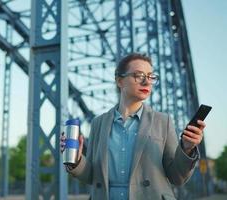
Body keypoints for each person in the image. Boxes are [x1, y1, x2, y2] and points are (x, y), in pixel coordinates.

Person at [60, 53, 206, 200]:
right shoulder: (98, 123)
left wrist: (186, 148)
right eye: (139, 75)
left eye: (150, 77)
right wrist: (77, 159)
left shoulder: (163, 121)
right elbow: (92, 176)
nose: (147, 82)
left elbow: (177, 177)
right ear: (120, 81)